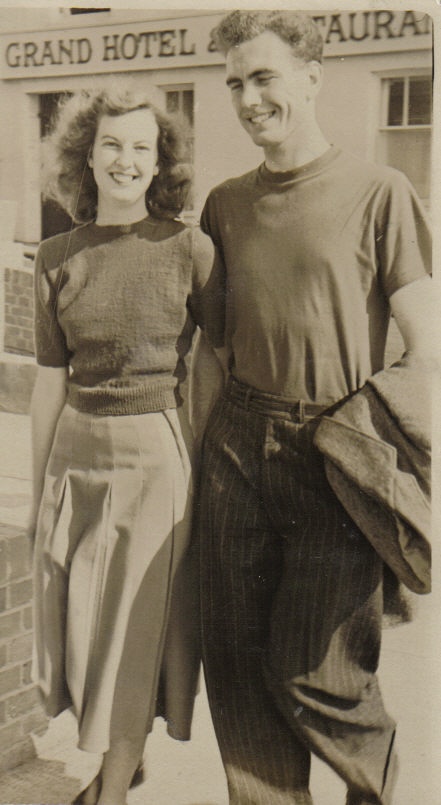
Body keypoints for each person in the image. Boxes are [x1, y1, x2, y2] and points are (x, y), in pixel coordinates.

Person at [191, 10, 434, 805]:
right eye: (234, 83)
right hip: (235, 442)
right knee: (235, 661)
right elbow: (210, 352)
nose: (248, 97)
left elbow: (425, 345)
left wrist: (390, 455)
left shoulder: (379, 191)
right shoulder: (224, 205)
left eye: (262, 76)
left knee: (316, 669)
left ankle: (374, 788)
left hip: (335, 448)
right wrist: (197, 464)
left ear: (310, 75)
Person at [29, 85, 220, 805]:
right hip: (76, 458)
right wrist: (39, 487)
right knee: (82, 631)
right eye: (111, 144)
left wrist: (197, 462)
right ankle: (119, 757)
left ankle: (109, 789)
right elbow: (48, 384)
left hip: (154, 462)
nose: (126, 159)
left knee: (135, 637)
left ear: (160, 160)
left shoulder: (188, 249)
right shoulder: (55, 255)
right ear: (85, 155)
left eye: (142, 146)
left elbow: (217, 363)